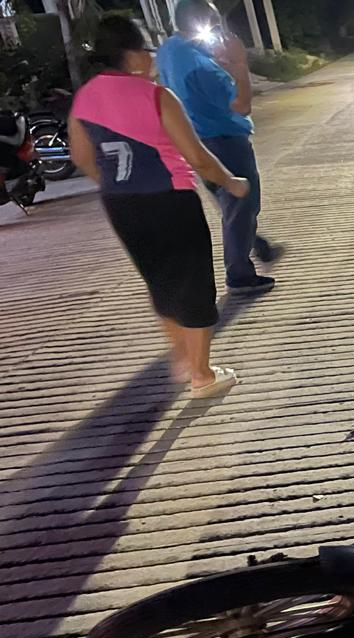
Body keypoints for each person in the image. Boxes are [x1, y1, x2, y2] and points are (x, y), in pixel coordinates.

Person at [68, 16, 248, 397]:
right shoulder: (156, 96)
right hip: (170, 201)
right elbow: (197, 157)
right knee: (195, 283)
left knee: (160, 281)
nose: (151, 59)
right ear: (132, 55)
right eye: (147, 51)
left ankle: (184, 357)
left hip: (121, 205)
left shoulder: (84, 96)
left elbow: (82, 156)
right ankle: (202, 374)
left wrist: (116, 184)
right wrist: (232, 182)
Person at [157, 0, 280, 295]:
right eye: (213, 24)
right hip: (224, 141)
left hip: (194, 139)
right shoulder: (202, 68)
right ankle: (239, 273)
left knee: (231, 203)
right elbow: (241, 105)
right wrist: (239, 65)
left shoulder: (169, 50)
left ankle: (254, 243)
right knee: (242, 201)